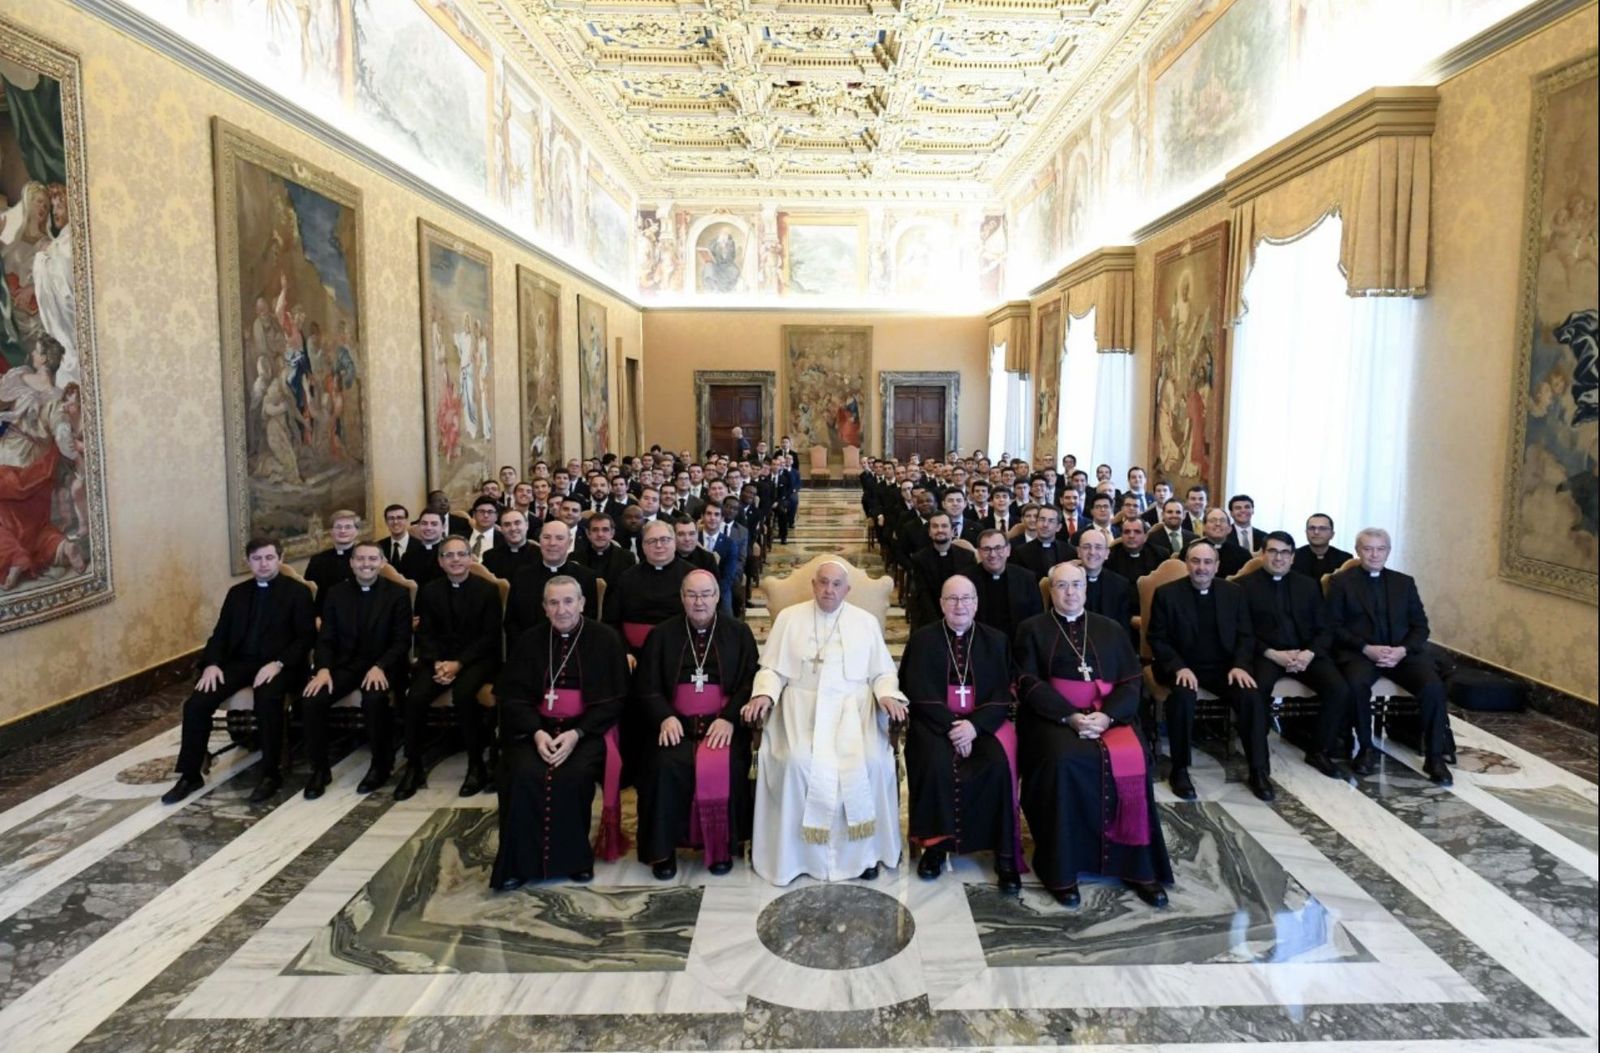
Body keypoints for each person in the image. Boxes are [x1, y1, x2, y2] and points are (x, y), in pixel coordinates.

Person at [1014, 563, 1172, 907]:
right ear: (1050, 591)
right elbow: (1027, 682)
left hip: (1106, 716)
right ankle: (1062, 868)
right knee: (1063, 760)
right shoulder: (1032, 629)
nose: (1070, 593)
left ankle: (1137, 865)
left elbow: (1131, 681)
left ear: (1086, 588)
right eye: (1061, 586)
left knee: (1136, 760)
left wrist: (1108, 715)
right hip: (1053, 718)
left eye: (1076, 585)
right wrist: (1069, 716)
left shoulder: (1111, 629)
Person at [742, 561, 907, 884]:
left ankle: (864, 855)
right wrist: (763, 694)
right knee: (795, 763)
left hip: (853, 713)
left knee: (872, 762)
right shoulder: (789, 619)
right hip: (800, 712)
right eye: (823, 583)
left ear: (847, 590)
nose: (828, 590)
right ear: (813, 585)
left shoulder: (865, 622)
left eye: (836, 585)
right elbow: (772, 669)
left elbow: (882, 672)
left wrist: (887, 694)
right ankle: (796, 858)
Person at [491, 577, 631, 889]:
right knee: (521, 773)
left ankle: (575, 860)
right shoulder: (529, 641)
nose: (562, 609)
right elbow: (513, 697)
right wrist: (537, 733)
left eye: (569, 601)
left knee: (573, 775)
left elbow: (616, 700)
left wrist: (577, 733)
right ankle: (516, 863)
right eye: (553, 603)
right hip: (535, 731)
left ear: (582, 604)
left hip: (586, 732)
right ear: (544, 608)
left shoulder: (605, 639)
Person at [163, 538, 315, 805]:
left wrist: (278, 663)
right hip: (241, 663)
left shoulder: (297, 592)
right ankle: (190, 774)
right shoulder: (237, 593)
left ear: (280, 559)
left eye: (269, 558)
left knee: (267, 698)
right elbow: (220, 635)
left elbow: (305, 638)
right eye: (257, 559)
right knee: (197, 703)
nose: (264, 564)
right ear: (248, 562)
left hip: (281, 666)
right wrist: (211, 664)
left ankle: (271, 773)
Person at [635, 570, 759, 878]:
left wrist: (730, 719)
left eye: (705, 594)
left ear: (718, 596)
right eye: (692, 595)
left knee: (727, 765)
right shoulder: (662, 635)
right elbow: (647, 685)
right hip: (676, 724)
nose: (699, 601)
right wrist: (664, 716)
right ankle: (663, 851)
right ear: (682, 598)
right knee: (664, 766)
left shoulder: (738, 632)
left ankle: (719, 847)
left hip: (721, 724)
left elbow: (749, 681)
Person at [900, 576, 1021, 893]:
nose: (959, 605)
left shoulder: (995, 640)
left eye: (966, 598)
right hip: (936, 722)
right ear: (941, 603)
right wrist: (953, 727)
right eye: (952, 599)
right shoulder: (923, 639)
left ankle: (1002, 852)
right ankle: (936, 847)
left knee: (996, 764)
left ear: (976, 603)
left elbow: (1001, 693)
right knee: (934, 762)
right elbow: (916, 689)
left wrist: (974, 726)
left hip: (982, 724)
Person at [1146, 540, 1274, 802]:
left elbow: (1245, 635)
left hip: (1223, 668)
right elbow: (1157, 637)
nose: (1201, 568)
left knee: (1251, 695)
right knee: (1181, 698)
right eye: (1195, 561)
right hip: (1181, 666)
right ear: (1186, 565)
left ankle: (1258, 770)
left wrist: (1240, 665)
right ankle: (1180, 770)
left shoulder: (1233, 593)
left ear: (1217, 566)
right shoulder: (1166, 593)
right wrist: (1179, 666)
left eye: (1207, 562)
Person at [1327, 528, 1452, 785]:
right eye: (1368, 549)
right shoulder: (1341, 582)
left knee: (1433, 687)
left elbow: (1421, 626)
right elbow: (1334, 626)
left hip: (1402, 654)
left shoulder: (1404, 583)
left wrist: (1402, 650)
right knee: (1356, 685)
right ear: (1358, 550)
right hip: (1361, 654)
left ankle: (1435, 756)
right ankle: (1365, 748)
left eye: (1380, 549)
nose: (1374, 554)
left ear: (1388, 551)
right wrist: (1366, 648)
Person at [300, 541, 412, 797]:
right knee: (312, 699)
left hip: (383, 664)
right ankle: (319, 769)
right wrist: (323, 669)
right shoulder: (336, 593)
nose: (366, 564)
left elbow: (402, 641)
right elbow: (326, 638)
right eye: (360, 559)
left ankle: (381, 766)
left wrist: (380, 666)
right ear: (351, 563)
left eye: (372, 559)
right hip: (344, 665)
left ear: (382, 563)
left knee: (374, 699)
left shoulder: (397, 594)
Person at [396, 537, 502, 800]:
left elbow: (489, 637)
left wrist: (458, 664)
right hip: (438, 660)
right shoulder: (429, 591)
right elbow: (426, 634)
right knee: (416, 697)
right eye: (449, 556)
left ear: (470, 558)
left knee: (465, 695)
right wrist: (436, 663)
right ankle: (414, 765)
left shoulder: (488, 590)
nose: (455, 560)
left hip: (475, 660)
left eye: (461, 554)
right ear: (441, 561)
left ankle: (476, 764)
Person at [1240, 531, 1350, 778]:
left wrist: (1310, 653)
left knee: (1339, 689)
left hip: (1305, 654)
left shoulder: (1308, 585)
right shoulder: (1243, 587)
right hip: (1267, 655)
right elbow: (1242, 633)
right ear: (1262, 554)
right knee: (1256, 693)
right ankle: (1259, 764)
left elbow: (1325, 628)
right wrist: (1272, 653)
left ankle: (1319, 750)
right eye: (1273, 551)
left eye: (1285, 553)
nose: (1279, 558)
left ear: (1292, 557)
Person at [504, 520, 600, 647]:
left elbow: (589, 620)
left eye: (559, 538)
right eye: (546, 537)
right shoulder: (521, 575)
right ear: (540, 541)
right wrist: (526, 646)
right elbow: (510, 621)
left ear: (569, 543)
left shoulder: (586, 577)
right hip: (529, 649)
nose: (552, 543)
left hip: (572, 648)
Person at [603, 519, 691, 654]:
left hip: (680, 651)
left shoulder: (691, 577)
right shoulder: (627, 578)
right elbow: (611, 621)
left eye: (665, 539)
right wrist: (624, 652)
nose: (659, 545)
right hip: (634, 653)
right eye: (652, 541)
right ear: (643, 546)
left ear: (674, 542)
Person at [960, 528, 1042, 640]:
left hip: (1018, 643)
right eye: (987, 549)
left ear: (1008, 550)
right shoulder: (965, 580)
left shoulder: (1026, 578)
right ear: (979, 552)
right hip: (978, 642)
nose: (993, 554)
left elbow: (1036, 618)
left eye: (998, 548)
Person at [906, 512, 976, 630]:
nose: (940, 530)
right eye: (935, 526)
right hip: (930, 616)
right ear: (929, 532)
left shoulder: (967, 557)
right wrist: (937, 624)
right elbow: (923, 593)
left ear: (953, 531)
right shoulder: (919, 559)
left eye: (944, 526)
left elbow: (970, 591)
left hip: (961, 614)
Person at [1076, 529, 1136, 643]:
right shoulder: (1066, 582)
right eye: (1086, 547)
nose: (1092, 552)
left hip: (1109, 645)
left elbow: (1123, 629)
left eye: (1098, 547)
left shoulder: (1120, 585)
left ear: (1107, 553)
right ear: (1078, 551)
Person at [304, 510, 359, 615]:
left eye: (348, 527)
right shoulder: (317, 560)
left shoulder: (365, 558)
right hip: (325, 617)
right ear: (331, 531)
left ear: (356, 531)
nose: (342, 531)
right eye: (338, 527)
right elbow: (309, 593)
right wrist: (316, 616)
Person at [1011, 505, 1074, 579]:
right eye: (1042, 519)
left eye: (1051, 521)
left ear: (1058, 527)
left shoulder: (1070, 552)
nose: (1045, 525)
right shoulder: (1020, 552)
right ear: (1036, 523)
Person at [1293, 513, 1353, 580]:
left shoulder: (1345, 559)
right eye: (1312, 528)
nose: (1316, 532)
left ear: (1332, 534)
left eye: (1322, 528)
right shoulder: (1293, 556)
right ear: (1306, 532)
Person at [1105, 516, 1163, 582]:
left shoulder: (1159, 554)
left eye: (1137, 532)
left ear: (1145, 537)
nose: (1131, 536)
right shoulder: (1110, 558)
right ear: (1121, 536)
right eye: (1127, 532)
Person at [1198, 507, 1252, 578]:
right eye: (1212, 521)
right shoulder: (1190, 550)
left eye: (1222, 521)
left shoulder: (1243, 554)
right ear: (1204, 527)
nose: (1218, 524)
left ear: (1230, 528)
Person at [399, 510, 447, 586]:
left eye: (434, 524)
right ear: (418, 526)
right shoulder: (408, 556)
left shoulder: (451, 554)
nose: (428, 528)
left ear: (443, 527)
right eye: (424, 523)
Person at [379, 504, 413, 568]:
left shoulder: (420, 546)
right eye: (391, 518)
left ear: (406, 520)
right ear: (386, 522)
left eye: (399, 518)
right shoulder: (379, 547)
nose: (395, 522)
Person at [466, 496, 499, 560]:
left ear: (496, 517)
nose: (486, 515)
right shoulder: (460, 536)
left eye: (490, 512)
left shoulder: (503, 540)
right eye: (481, 511)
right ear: (474, 515)